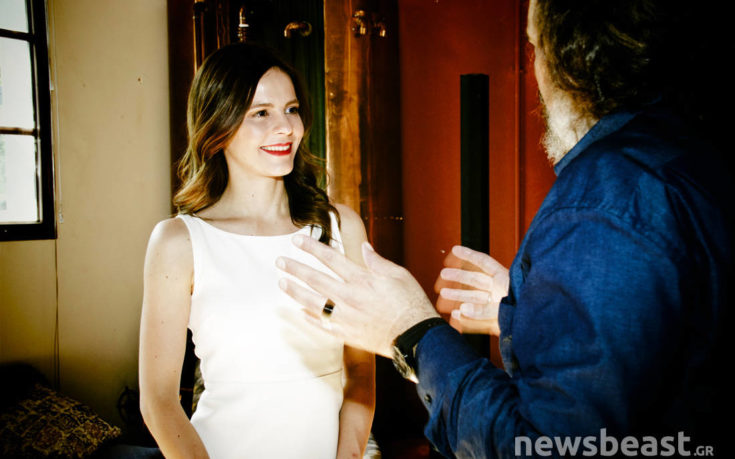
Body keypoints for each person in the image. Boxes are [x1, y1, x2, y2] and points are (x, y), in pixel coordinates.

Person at [276, 0, 733, 457]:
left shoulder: (602, 201)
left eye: (535, 47)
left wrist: (410, 331)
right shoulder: (683, 156)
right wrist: (522, 312)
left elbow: (548, 446)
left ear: (570, 56)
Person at [138, 43, 375, 458]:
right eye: (261, 113)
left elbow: (360, 371)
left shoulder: (341, 228)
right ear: (218, 126)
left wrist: (349, 454)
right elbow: (158, 401)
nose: (286, 128)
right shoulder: (178, 242)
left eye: (291, 109)